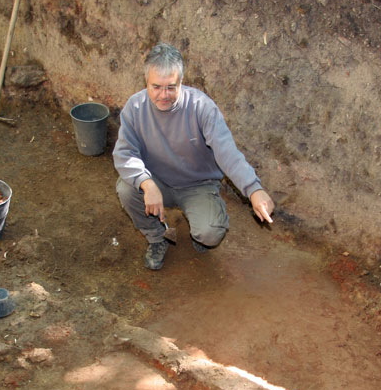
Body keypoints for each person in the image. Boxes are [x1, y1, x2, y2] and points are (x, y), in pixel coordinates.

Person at [113, 42, 276, 270]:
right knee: (126, 188)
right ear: (146, 82)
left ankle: (200, 228)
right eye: (156, 87)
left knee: (209, 232)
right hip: (157, 182)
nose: (163, 95)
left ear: (181, 81)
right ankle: (157, 237)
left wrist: (254, 189)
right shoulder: (135, 108)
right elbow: (125, 153)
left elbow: (227, 153)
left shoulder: (202, 108)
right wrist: (147, 184)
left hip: (197, 185)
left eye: (171, 87)